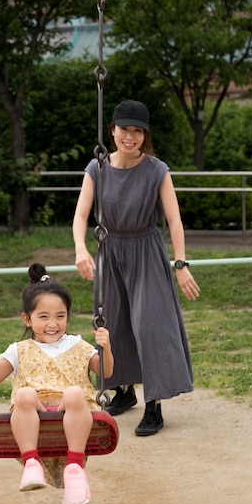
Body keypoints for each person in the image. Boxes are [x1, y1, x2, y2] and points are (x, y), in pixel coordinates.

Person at [72, 99, 200, 437]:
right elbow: (81, 215)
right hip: (110, 250)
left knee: (149, 325)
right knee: (112, 323)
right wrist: (80, 248)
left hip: (146, 250)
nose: (130, 137)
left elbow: (174, 218)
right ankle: (123, 390)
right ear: (112, 130)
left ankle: (153, 405)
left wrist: (181, 263)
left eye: (137, 131)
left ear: (145, 135)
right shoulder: (96, 168)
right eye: (124, 129)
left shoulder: (157, 169)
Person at [0, 263, 113, 504]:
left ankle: (75, 468)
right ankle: (31, 463)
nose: (52, 324)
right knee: (24, 394)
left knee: (75, 393)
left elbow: (106, 372)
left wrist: (105, 347)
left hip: (73, 414)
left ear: (68, 315)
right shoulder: (19, 350)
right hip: (34, 416)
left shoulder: (79, 345)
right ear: (27, 319)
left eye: (60, 316)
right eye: (43, 316)